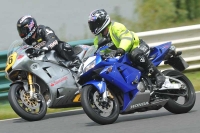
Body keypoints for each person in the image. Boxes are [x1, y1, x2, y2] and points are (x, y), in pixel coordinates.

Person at [87, 9, 166, 88]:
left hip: (137, 47)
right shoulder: (98, 39)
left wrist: (121, 49)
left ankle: (158, 74)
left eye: (95, 24)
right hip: (122, 56)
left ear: (101, 21)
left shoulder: (116, 27)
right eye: (92, 25)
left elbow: (127, 38)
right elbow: (98, 51)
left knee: (135, 54)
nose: (93, 27)